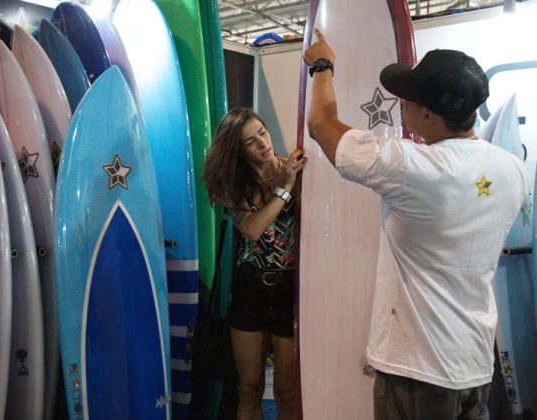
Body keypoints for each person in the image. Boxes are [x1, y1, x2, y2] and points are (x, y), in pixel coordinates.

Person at [303, 29, 529, 420]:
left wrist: (322, 66)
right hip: (475, 365)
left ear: (427, 114)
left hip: (418, 372)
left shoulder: (415, 168)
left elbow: (322, 126)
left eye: (407, 98)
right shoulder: (513, 169)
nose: (400, 102)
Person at [202, 107, 306, 420]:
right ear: (238, 150)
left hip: (290, 292)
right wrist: (286, 188)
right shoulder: (235, 185)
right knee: (248, 388)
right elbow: (252, 228)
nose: (262, 143)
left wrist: (291, 179)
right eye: (250, 141)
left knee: (288, 392)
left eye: (262, 131)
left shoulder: (297, 168)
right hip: (251, 291)